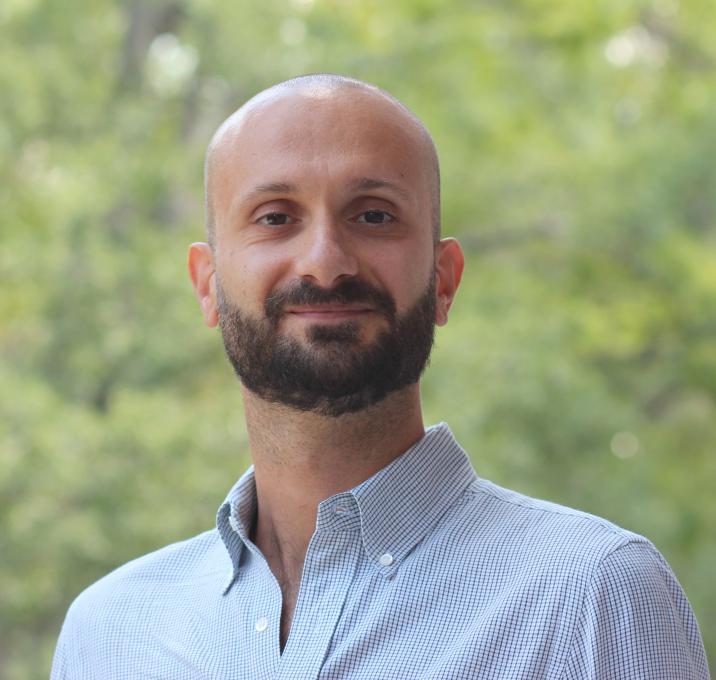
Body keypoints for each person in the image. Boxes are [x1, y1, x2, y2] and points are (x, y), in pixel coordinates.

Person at [51, 74, 710, 680]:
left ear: (444, 279)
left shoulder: (593, 596)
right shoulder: (108, 632)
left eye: (373, 216)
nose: (326, 262)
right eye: (275, 217)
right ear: (207, 283)